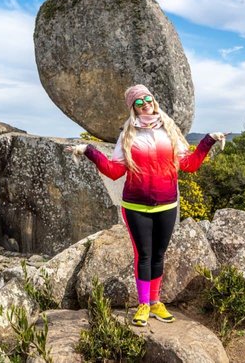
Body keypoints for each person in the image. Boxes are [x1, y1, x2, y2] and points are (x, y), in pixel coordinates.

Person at [66, 84, 225, 327]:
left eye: (147, 98)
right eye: (138, 102)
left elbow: (190, 165)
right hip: (135, 207)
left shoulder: (169, 130)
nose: (144, 104)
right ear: (133, 108)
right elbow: (114, 170)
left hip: (167, 205)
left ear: (153, 99)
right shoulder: (128, 134)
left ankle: (155, 302)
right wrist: (90, 151)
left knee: (159, 255)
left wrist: (207, 142)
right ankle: (142, 304)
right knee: (144, 255)